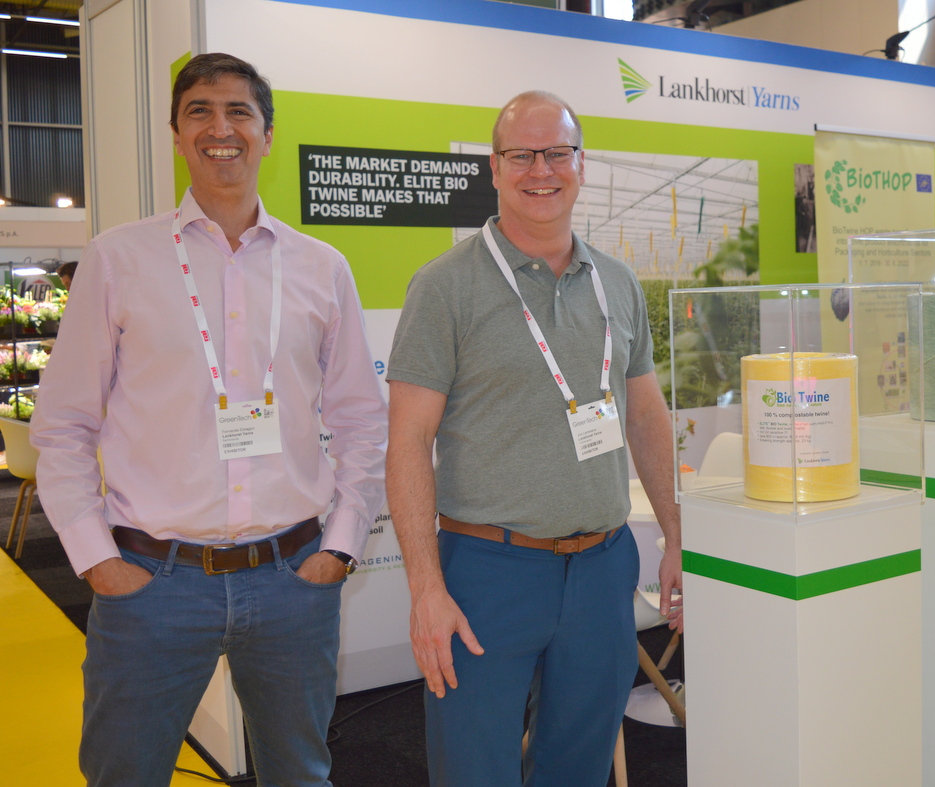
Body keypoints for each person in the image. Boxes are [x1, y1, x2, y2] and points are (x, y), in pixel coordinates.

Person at [30, 53, 387, 787]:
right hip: (151, 582)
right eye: (199, 111)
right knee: (125, 775)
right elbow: (63, 425)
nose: (220, 128)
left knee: (300, 774)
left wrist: (340, 548)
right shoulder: (117, 259)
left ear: (267, 134)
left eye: (238, 112)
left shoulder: (321, 266)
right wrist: (97, 559)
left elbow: (360, 420)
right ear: (176, 133)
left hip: (294, 579)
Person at [386, 90, 682, 786]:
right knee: (473, 767)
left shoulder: (616, 283)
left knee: (578, 764)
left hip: (603, 566)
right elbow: (408, 440)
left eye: (557, 153)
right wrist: (425, 589)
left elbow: (646, 416)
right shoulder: (445, 286)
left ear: (581, 164)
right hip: (488, 571)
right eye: (522, 154)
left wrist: (675, 533)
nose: (541, 169)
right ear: (494, 167)